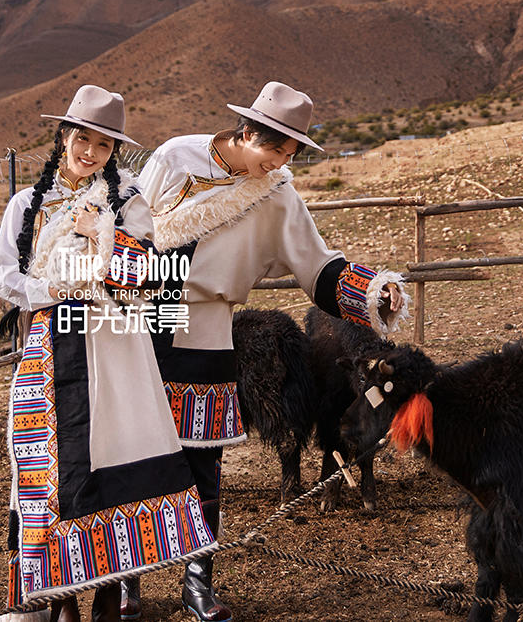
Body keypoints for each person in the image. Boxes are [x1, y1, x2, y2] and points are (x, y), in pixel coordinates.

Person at [135, 81, 409, 622]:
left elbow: (318, 266)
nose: (279, 165)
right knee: (133, 454)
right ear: (246, 133)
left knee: (201, 462)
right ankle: (124, 585)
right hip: (139, 322)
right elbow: (128, 226)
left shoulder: (277, 194)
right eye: (273, 152)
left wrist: (376, 290)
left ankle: (197, 585)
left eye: (289, 155)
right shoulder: (173, 157)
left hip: (209, 327)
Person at [0, 85, 214, 622]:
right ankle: (59, 603)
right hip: (50, 348)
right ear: (64, 135)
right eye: (82, 138)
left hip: (118, 347)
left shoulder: (129, 200)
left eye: (103, 145)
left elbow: (159, 273)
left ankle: (108, 604)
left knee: (119, 470)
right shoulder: (27, 205)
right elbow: (2, 275)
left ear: (114, 151)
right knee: (55, 475)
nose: (89, 152)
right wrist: (54, 288)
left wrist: (106, 239)